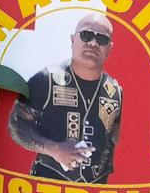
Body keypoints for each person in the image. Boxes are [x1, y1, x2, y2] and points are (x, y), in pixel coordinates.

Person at [8, 13, 123, 184]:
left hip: (96, 192)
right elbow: (16, 124)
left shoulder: (115, 91)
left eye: (102, 39)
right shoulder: (46, 79)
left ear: (109, 48)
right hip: (48, 186)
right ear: (72, 39)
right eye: (86, 35)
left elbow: (116, 138)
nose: (93, 43)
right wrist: (53, 149)